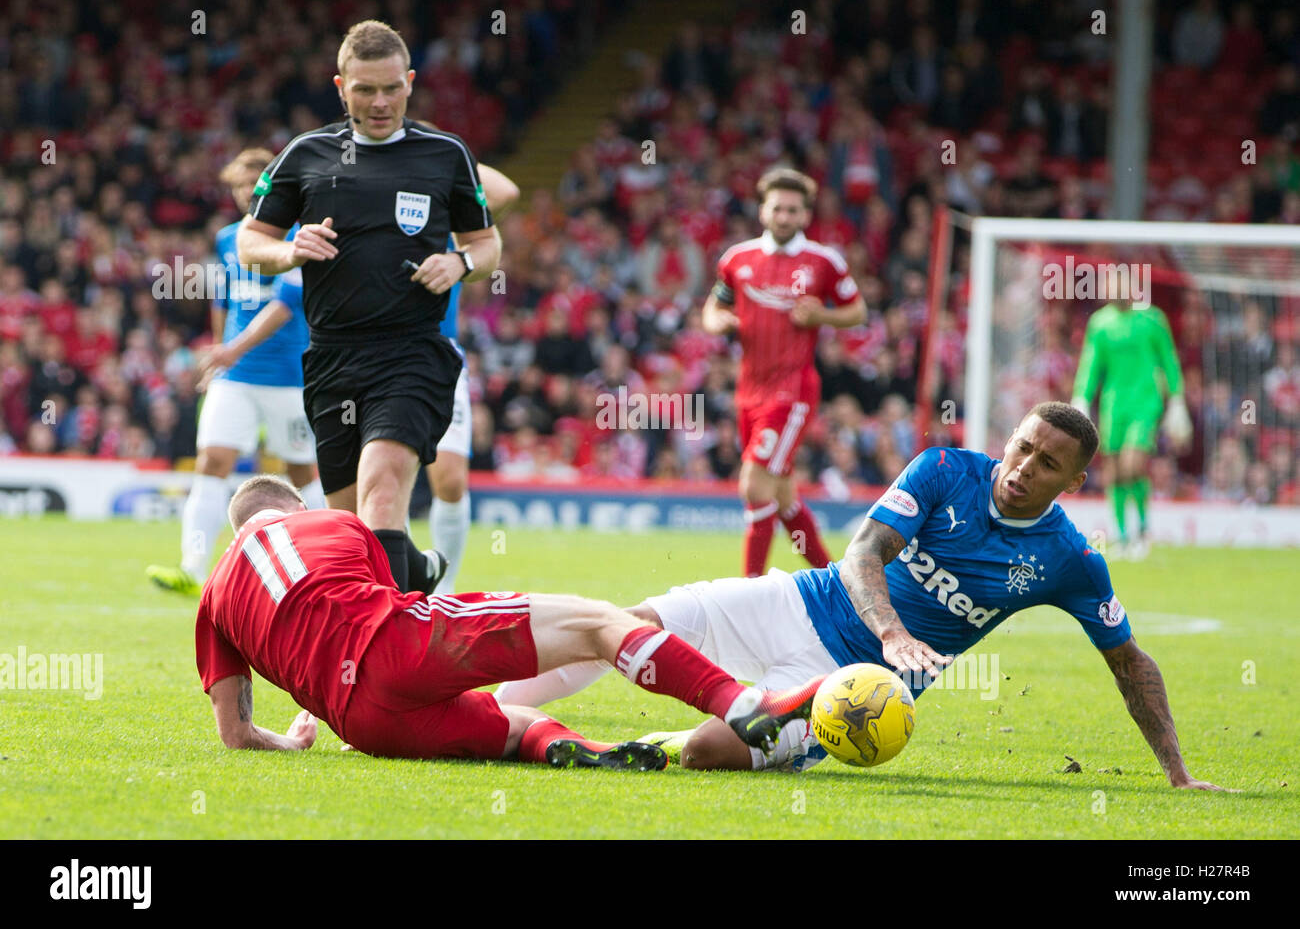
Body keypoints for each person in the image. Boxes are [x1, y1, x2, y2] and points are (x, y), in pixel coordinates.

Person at [497, 403, 1231, 790]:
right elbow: (864, 552)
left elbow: (1129, 663)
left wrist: (1177, 772)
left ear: (1072, 484)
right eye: (1021, 449)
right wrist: (890, 631)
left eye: (1046, 465)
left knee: (708, 754)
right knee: (631, 624)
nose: (1022, 469)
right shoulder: (945, 468)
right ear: (1007, 440)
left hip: (853, 690)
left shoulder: (1070, 558)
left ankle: (629, 750)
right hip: (799, 602)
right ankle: (490, 712)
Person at [196, 474, 824, 769]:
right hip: (400, 646)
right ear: (293, 507)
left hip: (362, 723)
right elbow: (387, 611)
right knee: (597, 623)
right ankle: (740, 703)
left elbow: (236, 732)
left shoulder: (214, 599)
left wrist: (293, 740)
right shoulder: (331, 521)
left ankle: (603, 753)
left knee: (513, 726)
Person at [237, 19, 500, 594]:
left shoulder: (445, 154)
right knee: (350, 535)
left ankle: (399, 666)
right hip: (332, 358)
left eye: (391, 88)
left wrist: (460, 263)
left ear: (409, 82)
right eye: (364, 90)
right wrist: (287, 251)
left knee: (383, 485)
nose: (380, 103)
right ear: (340, 86)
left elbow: (487, 242)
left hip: (412, 354)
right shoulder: (306, 155)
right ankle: (417, 580)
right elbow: (248, 242)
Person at [148, 148, 324, 597]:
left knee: (301, 470)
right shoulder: (230, 238)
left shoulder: (297, 236)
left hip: (289, 376)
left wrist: (231, 350)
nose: (248, 191)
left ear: (271, 186)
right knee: (212, 461)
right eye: (240, 185)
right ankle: (191, 568)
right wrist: (217, 357)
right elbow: (224, 303)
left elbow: (287, 305)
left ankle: (325, 566)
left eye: (256, 183)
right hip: (235, 377)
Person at [701, 167, 867, 577]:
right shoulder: (737, 259)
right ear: (763, 211)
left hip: (790, 392)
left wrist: (824, 314)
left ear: (805, 216)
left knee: (754, 487)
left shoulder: (822, 262)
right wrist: (716, 322)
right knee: (784, 497)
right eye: (778, 208)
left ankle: (748, 591)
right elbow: (713, 306)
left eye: (793, 210)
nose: (785, 216)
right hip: (748, 391)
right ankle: (839, 583)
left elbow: (858, 311)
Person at [424, 162, 519, 592]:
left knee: (449, 480)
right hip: (376, 355)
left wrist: (443, 153)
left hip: (439, 355)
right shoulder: (375, 205)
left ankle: (443, 591)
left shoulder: (445, 217)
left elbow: (505, 190)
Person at [1072, 296, 1191, 559]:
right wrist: (1081, 396)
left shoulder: (1152, 319)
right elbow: (1091, 364)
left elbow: (1168, 359)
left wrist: (1177, 397)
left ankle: (1143, 531)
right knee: (1114, 471)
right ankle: (1123, 537)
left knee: (1133, 465)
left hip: (1145, 403)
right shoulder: (1101, 322)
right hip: (1113, 406)